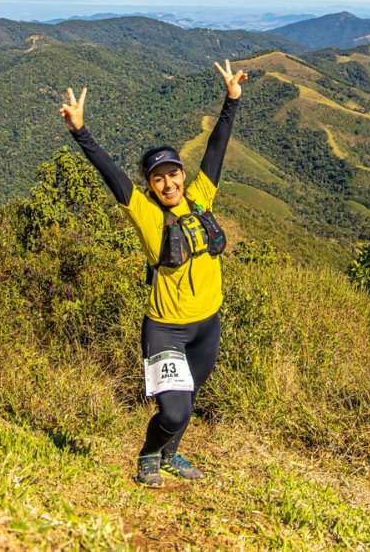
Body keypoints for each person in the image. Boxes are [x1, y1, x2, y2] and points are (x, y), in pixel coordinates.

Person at [59, 59, 248, 488]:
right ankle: (149, 455)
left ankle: (171, 454)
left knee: (191, 396)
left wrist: (231, 101)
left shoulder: (201, 198)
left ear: (183, 175)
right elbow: (109, 173)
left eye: (173, 174)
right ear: (149, 186)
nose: (168, 184)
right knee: (174, 409)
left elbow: (217, 148)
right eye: (158, 178)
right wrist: (80, 132)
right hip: (166, 329)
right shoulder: (144, 214)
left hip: (208, 323)